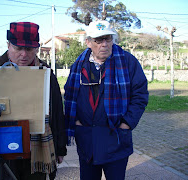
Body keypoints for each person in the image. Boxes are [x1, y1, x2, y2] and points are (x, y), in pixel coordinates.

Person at [0, 22, 67, 180]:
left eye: (29, 49)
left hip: (36, 152)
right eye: (18, 48)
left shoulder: (46, 74)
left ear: (37, 48)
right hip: (0, 150)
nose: (24, 54)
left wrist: (60, 149)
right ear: (8, 45)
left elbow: (57, 113)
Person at [64, 20, 149, 180]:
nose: (104, 44)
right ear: (88, 42)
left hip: (116, 138)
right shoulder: (79, 64)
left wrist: (127, 123)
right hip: (87, 140)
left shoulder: (128, 62)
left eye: (108, 39)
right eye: (98, 40)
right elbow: (69, 93)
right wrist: (76, 122)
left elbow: (140, 95)